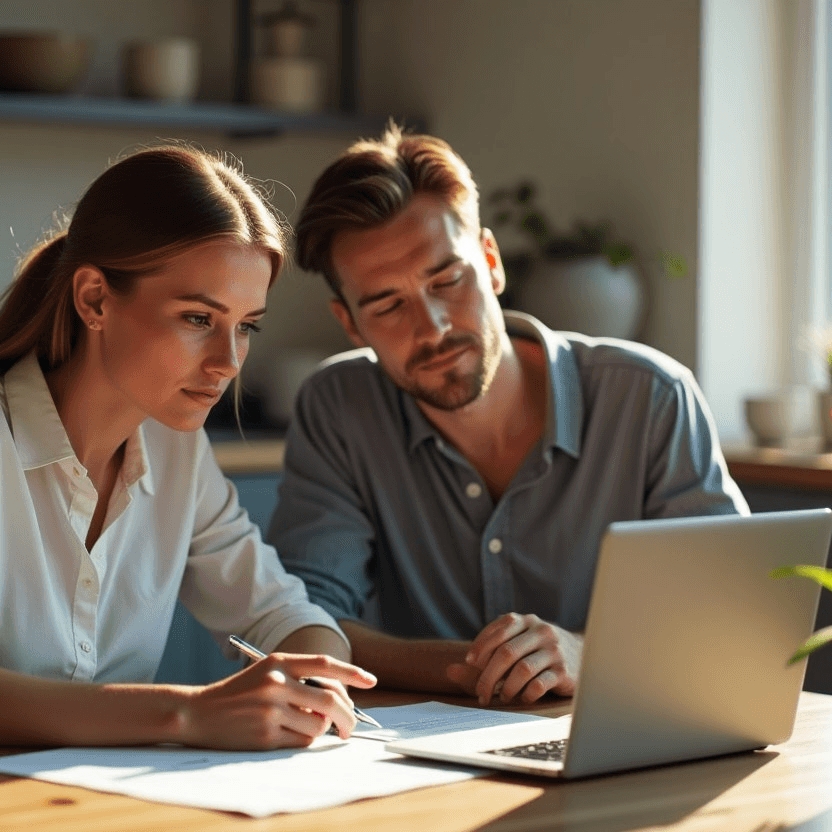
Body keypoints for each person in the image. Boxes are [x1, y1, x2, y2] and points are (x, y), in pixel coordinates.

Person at [267, 125, 750, 707]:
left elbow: (728, 614)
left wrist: (582, 652)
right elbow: (305, 620)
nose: (434, 327)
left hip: (626, 738)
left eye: (448, 279)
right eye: (387, 304)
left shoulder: (650, 398)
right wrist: (468, 668)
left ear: (491, 263)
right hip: (424, 763)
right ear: (350, 324)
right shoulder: (338, 408)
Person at [0, 145, 377, 751]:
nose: (228, 362)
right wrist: (187, 714)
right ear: (94, 298)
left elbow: (284, 615)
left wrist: (314, 677)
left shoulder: (176, 452)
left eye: (246, 326)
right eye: (199, 319)